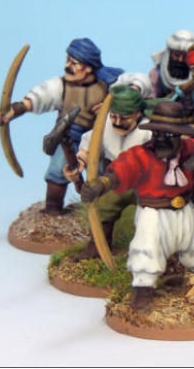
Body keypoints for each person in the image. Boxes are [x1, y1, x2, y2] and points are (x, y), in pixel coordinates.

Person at [80, 101, 194, 311]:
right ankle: (143, 289)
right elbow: (124, 167)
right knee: (147, 247)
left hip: (185, 208)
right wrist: (103, 183)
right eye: (157, 133)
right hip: (153, 213)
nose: (161, 139)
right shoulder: (142, 154)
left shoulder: (188, 149)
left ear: (179, 135)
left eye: (169, 134)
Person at [0, 37, 123, 215]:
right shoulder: (61, 86)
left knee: (101, 176)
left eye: (74, 63)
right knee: (57, 173)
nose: (67, 66)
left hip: (97, 139)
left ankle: (103, 214)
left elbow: (129, 97)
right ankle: (53, 209)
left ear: (87, 67)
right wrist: (15, 110)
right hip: (67, 137)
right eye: (68, 60)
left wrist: (111, 106)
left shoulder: (108, 87)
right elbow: (41, 97)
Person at [64, 85, 153, 261]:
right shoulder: (104, 128)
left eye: (124, 118)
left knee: (152, 214)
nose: (117, 122)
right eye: (113, 116)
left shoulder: (149, 131)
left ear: (137, 114)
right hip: (116, 181)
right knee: (103, 207)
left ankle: (151, 253)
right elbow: (89, 147)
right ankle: (97, 247)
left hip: (146, 182)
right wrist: (79, 163)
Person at [148, 29, 194, 99]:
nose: (180, 60)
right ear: (170, 54)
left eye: (185, 56)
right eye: (176, 55)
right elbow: (152, 96)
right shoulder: (156, 75)